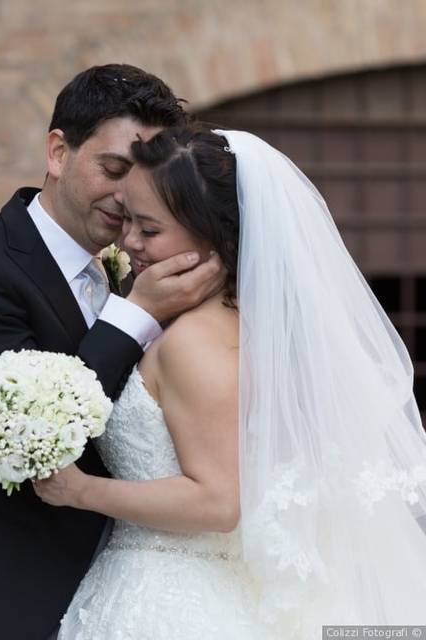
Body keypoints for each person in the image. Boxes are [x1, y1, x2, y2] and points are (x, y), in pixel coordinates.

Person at [34, 125, 426, 638]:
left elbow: (218, 501)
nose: (128, 241)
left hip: (172, 600)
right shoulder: (239, 327)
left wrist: (80, 491)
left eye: (149, 230)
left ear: (214, 237)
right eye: (127, 219)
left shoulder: (194, 343)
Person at [0, 65, 224, 640]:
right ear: (58, 152)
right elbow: (30, 431)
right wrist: (137, 314)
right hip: (15, 580)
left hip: (136, 581)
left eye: (145, 179)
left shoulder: (131, 267)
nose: (128, 196)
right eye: (113, 169)